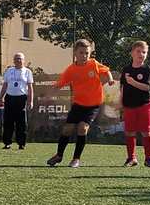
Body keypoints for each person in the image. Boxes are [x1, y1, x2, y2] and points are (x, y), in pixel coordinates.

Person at [47, 39, 115, 168]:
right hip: (78, 104)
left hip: (93, 105)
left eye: (87, 53)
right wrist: (49, 95)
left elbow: (106, 71)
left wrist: (110, 79)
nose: (84, 56)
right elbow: (59, 84)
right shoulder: (71, 70)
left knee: (82, 128)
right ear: (75, 53)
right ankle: (59, 155)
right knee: (67, 129)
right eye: (81, 53)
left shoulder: (93, 64)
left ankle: (76, 159)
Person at [120, 40, 150, 168]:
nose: (141, 54)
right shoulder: (126, 69)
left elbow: (148, 88)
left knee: (146, 132)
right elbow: (122, 88)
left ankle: (148, 158)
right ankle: (131, 158)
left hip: (144, 105)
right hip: (128, 106)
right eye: (138, 51)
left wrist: (133, 82)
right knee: (129, 132)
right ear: (132, 53)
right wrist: (120, 104)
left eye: (144, 52)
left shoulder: (147, 70)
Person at [0, 52, 34, 150]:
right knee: (8, 122)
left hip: (21, 98)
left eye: (20, 59)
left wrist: (30, 101)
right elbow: (5, 85)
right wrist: (1, 97)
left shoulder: (27, 72)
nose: (18, 60)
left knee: (21, 122)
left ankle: (21, 144)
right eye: (16, 59)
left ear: (23, 60)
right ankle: (7, 143)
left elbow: (30, 88)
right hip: (9, 98)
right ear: (13, 60)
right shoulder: (9, 71)